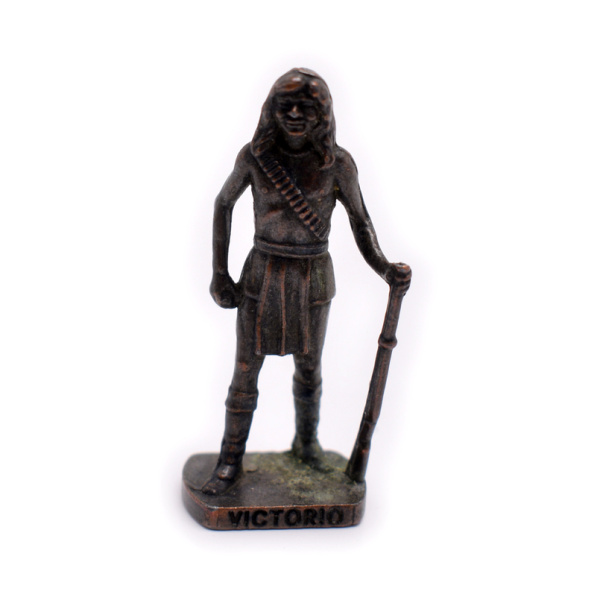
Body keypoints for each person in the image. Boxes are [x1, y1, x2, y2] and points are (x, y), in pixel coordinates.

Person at [201, 68, 411, 495]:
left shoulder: (338, 165)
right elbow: (223, 204)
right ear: (272, 109)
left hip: (312, 276)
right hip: (262, 273)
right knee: (245, 371)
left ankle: (307, 444)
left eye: (307, 107)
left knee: (310, 368)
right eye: (287, 105)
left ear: (323, 114)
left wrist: (384, 268)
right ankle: (229, 461)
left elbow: (360, 222)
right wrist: (220, 273)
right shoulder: (254, 157)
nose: (295, 114)